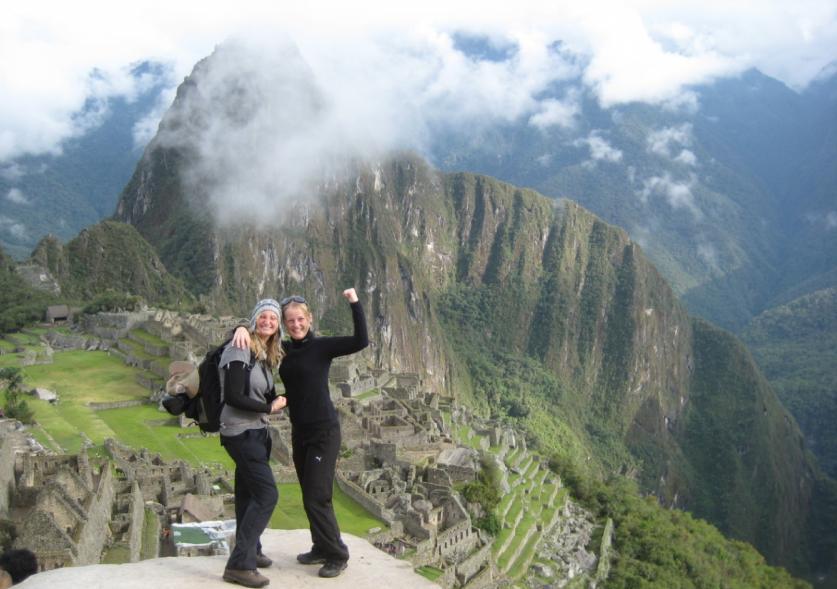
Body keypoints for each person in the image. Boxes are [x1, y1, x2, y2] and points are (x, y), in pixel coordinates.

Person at [234, 287, 368, 579]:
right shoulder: (284, 349)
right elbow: (260, 329)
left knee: (317, 496)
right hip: (300, 432)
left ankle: (337, 554)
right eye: (290, 321)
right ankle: (320, 545)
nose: (295, 325)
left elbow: (361, 340)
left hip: (323, 432)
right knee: (309, 491)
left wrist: (354, 302)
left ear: (309, 319)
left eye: (300, 319)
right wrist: (241, 326)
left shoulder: (321, 347)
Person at [220, 298, 287, 589]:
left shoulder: (263, 354)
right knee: (267, 494)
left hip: (256, 431)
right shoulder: (240, 346)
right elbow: (234, 396)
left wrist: (275, 401)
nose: (268, 322)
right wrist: (268, 409)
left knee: (247, 494)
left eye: (274, 318)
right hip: (240, 432)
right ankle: (239, 565)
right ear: (254, 318)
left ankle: (252, 550)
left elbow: (262, 393)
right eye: (264, 317)